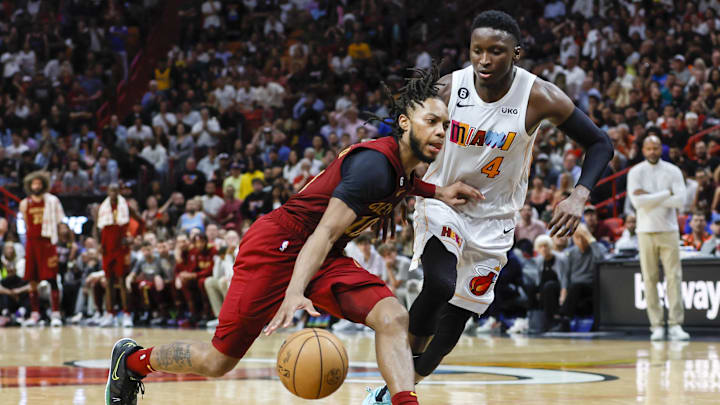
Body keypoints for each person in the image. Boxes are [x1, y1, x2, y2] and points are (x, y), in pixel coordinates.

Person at [106, 65, 482, 405]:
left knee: (392, 316)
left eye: (445, 126)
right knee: (218, 360)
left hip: (322, 255)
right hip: (277, 247)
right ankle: (133, 362)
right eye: (431, 121)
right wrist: (295, 292)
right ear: (403, 122)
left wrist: (438, 192)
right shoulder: (373, 167)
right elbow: (322, 232)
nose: (439, 132)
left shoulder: (400, 169)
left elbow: (401, 185)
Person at [366, 11, 614, 404]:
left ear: (516, 53)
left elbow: (600, 143)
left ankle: (397, 387)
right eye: (476, 50)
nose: (483, 60)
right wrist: (419, 191)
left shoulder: (539, 96)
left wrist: (580, 194)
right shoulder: (449, 89)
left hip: (496, 218)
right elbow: (400, 146)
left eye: (495, 52)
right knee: (440, 283)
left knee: (451, 329)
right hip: (444, 200)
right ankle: (399, 386)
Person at [628, 135, 689, 341]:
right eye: (648, 148)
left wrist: (649, 197)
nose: (652, 151)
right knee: (650, 279)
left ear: (660, 149)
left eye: (655, 148)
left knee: (674, 278)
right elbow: (637, 203)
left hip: (669, 230)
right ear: (643, 150)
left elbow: (681, 201)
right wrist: (665, 194)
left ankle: (675, 324)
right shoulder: (635, 172)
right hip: (644, 231)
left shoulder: (673, 171)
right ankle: (656, 326)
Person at [19, 171, 65, 326]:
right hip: (32, 243)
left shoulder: (52, 201)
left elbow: (60, 222)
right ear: (29, 185)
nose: (36, 186)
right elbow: (26, 222)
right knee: (32, 280)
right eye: (34, 183)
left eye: (39, 183)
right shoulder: (25, 203)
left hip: (47, 242)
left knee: (52, 278)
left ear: (43, 185)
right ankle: (35, 314)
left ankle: (56, 313)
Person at [97, 184, 142, 328]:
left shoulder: (126, 206)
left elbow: (140, 221)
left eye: (116, 190)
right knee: (108, 281)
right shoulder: (102, 207)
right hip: (107, 248)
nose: (113, 193)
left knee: (122, 281)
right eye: (111, 190)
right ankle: (110, 313)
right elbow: (97, 227)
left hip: (121, 248)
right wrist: (99, 243)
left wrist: (133, 237)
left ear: (119, 192)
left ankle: (127, 314)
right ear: (108, 192)